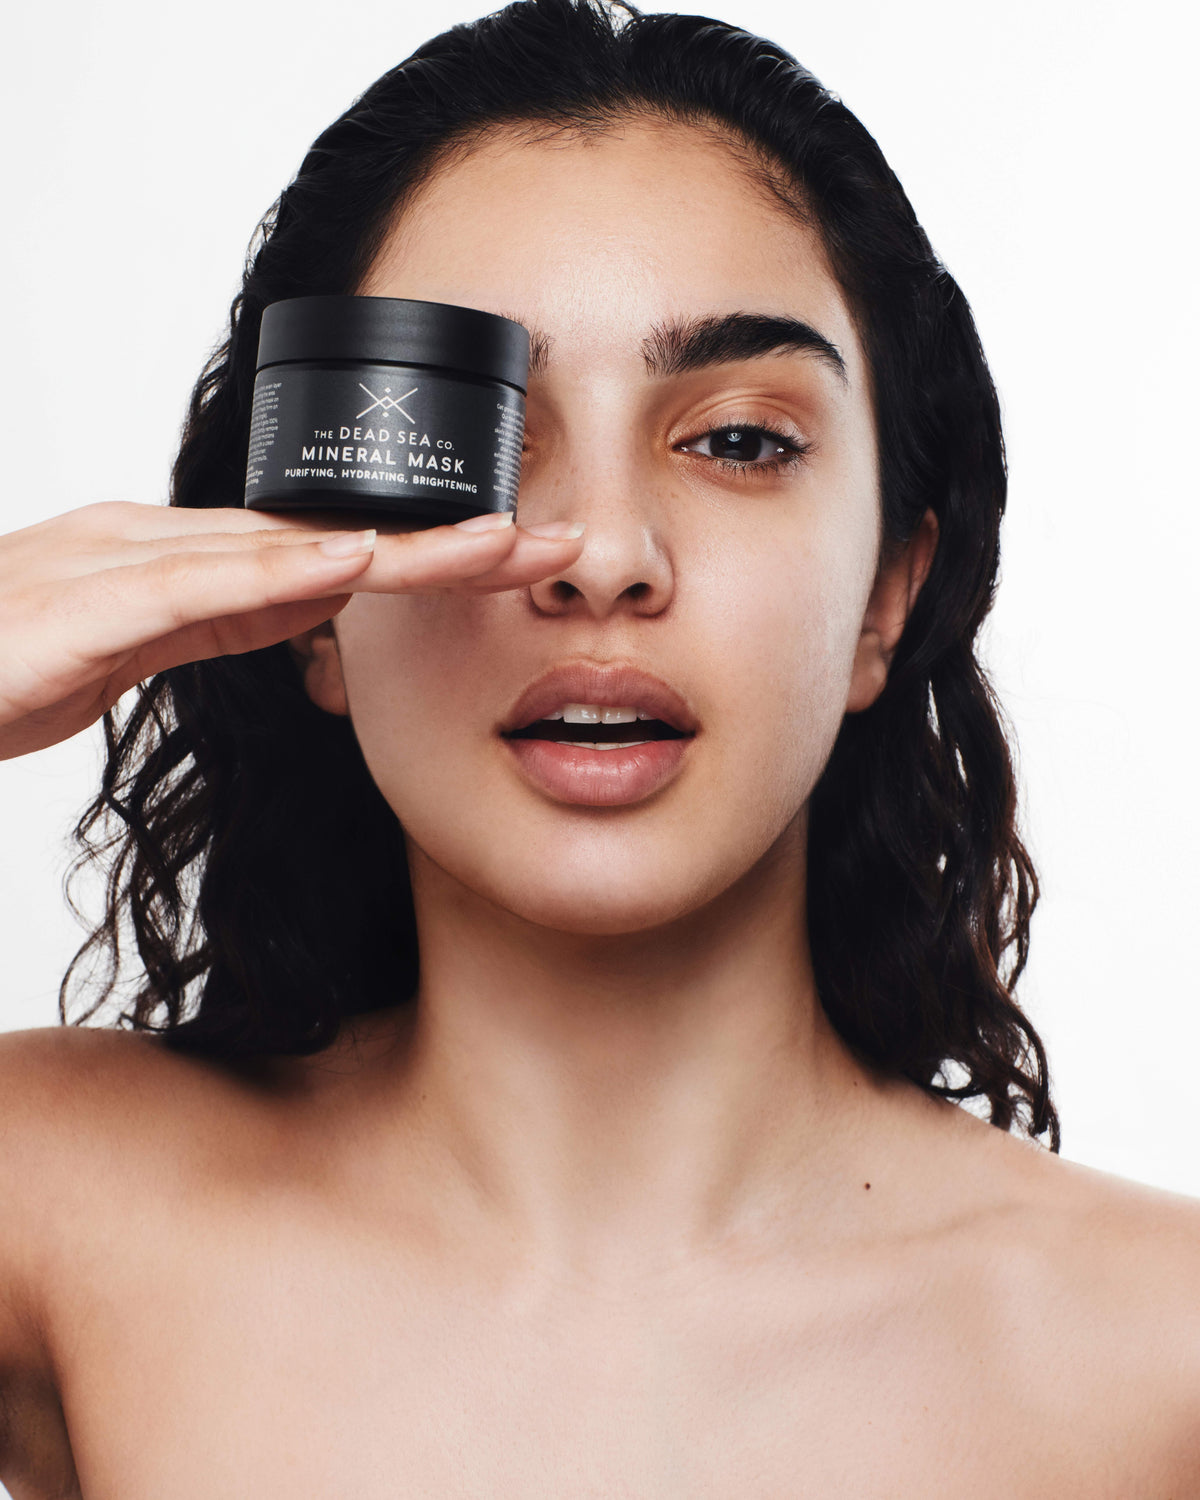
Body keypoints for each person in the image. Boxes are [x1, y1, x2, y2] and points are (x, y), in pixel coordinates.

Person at [1, 0, 1197, 1491]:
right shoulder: (49, 1206)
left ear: (890, 588)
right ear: (303, 601)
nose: (604, 557)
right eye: (473, 444)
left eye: (740, 440)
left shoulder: (1165, 1353)